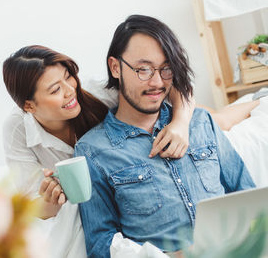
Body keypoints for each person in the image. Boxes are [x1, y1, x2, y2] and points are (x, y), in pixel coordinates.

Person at [75, 14, 256, 258]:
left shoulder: (200, 123)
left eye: (166, 69)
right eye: (144, 70)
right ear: (115, 67)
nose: (158, 82)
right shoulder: (93, 151)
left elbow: (248, 196)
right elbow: (100, 243)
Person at [2, 45, 196, 258]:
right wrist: (50, 202)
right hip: (90, 207)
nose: (70, 90)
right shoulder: (17, 130)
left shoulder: (98, 93)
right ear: (29, 106)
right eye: (56, 89)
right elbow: (32, 206)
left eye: (69, 77)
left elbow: (173, 84)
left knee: (217, 118)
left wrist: (181, 121)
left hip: (127, 184)